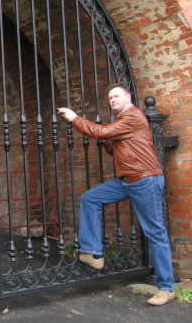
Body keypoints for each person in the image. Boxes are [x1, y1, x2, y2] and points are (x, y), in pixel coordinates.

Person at [58, 83, 176, 306]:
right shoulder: (121, 121)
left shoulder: (133, 116)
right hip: (128, 180)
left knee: (155, 232)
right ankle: (93, 253)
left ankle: (166, 288)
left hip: (145, 179)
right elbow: (111, 145)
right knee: (90, 198)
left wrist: (75, 118)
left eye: (116, 96)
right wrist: (106, 136)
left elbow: (101, 133)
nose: (112, 100)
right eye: (110, 97)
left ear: (128, 97)